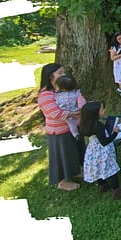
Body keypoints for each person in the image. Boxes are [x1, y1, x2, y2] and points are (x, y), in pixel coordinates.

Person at [37, 63, 83, 191]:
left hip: (72, 128)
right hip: (58, 131)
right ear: (51, 76)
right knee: (62, 156)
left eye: (64, 72)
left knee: (73, 152)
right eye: (60, 73)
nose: (64, 75)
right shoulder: (45, 94)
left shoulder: (61, 89)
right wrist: (73, 113)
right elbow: (54, 113)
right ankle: (62, 182)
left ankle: (75, 172)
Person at [79, 101, 121, 200]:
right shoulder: (98, 126)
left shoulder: (87, 125)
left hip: (92, 150)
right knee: (111, 170)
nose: (104, 110)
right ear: (95, 113)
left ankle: (102, 185)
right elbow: (105, 142)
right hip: (102, 151)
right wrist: (115, 133)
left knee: (98, 168)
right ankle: (117, 192)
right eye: (102, 109)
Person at [54, 75, 87, 164]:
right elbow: (81, 102)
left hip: (67, 114)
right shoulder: (76, 93)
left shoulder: (57, 95)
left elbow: (56, 105)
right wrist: (81, 109)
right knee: (78, 122)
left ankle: (75, 134)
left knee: (71, 123)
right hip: (76, 111)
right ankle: (80, 131)